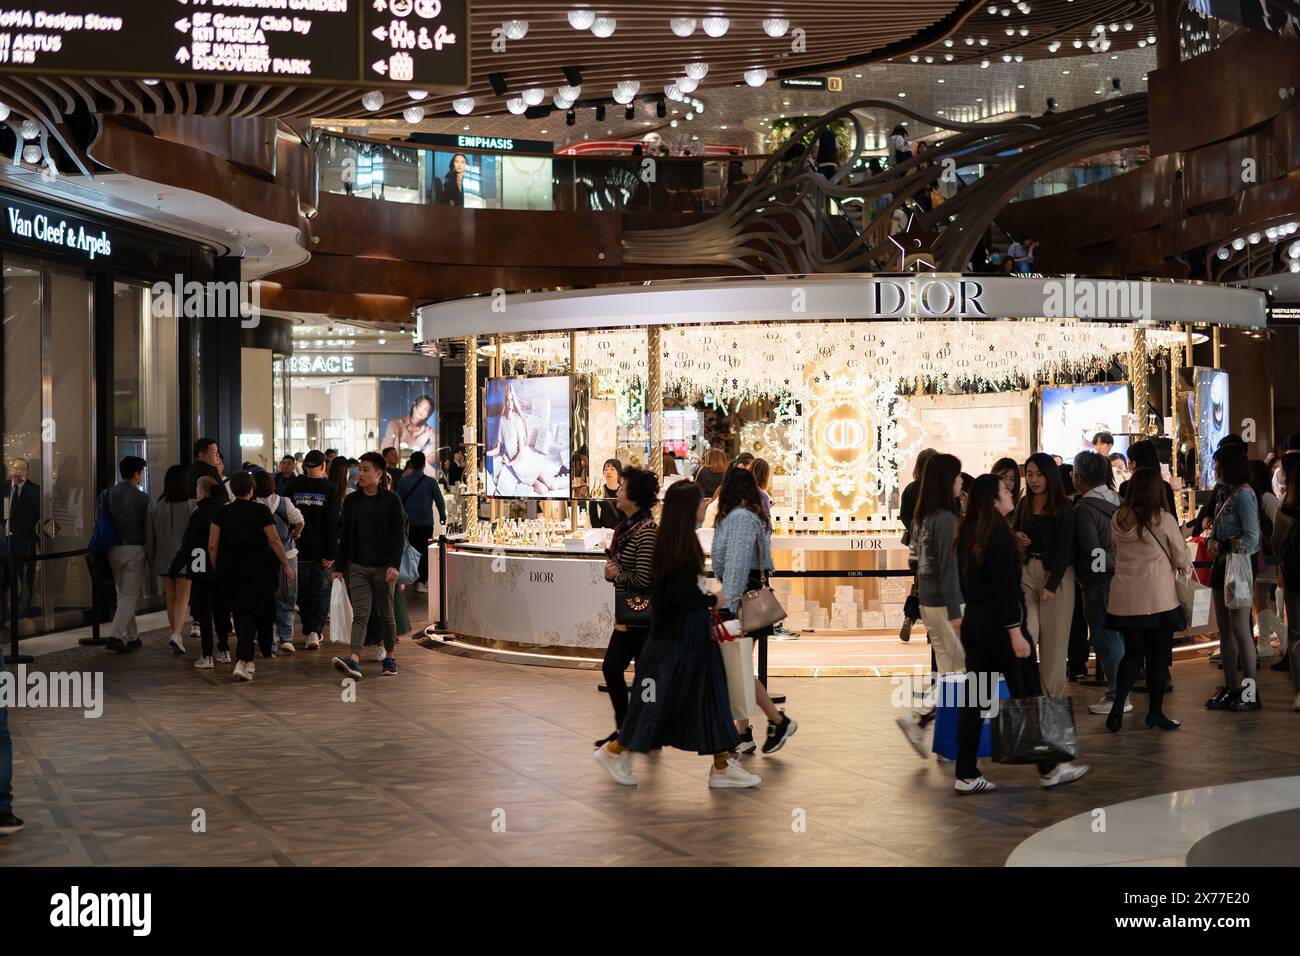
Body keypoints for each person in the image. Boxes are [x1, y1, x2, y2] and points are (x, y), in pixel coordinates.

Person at [593, 481, 756, 789]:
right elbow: (677, 595)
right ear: (688, 509)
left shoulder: (675, 542)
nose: (705, 507)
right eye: (700, 502)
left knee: (707, 695)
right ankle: (615, 751)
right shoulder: (675, 547)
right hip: (678, 637)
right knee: (657, 700)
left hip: (685, 635)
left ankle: (722, 765)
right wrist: (713, 600)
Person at [953, 474, 1090, 793]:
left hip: (976, 624)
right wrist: (1015, 632)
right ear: (992, 501)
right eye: (1003, 490)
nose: (1010, 492)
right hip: (1003, 629)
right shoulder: (998, 537)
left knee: (975, 698)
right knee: (1029, 694)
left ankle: (966, 772)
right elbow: (1004, 590)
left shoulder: (968, 534)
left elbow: (968, 585)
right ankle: (1050, 767)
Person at [712, 467, 798, 755]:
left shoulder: (737, 519)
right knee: (738, 669)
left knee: (736, 670)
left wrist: (726, 602)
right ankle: (745, 732)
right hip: (748, 600)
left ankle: (777, 720)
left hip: (740, 604)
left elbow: (735, 567)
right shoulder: (752, 517)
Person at [1105, 467, 1190, 731]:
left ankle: (1118, 706)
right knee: (1158, 657)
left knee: (1132, 654)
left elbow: (1114, 549)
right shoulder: (1162, 519)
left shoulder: (1117, 518)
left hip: (1125, 598)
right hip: (1157, 599)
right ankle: (1154, 713)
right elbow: (1180, 557)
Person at [897, 453, 965, 758]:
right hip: (945, 606)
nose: (961, 482)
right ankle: (922, 721)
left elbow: (914, 561)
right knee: (962, 672)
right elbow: (950, 571)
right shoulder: (947, 520)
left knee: (953, 673)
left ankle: (938, 733)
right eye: (957, 476)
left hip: (928, 602)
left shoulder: (921, 518)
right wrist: (956, 613)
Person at [595, 467, 659, 747]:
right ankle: (627, 727)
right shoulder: (626, 528)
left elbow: (643, 579)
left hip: (641, 617)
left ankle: (645, 730)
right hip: (627, 615)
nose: (618, 491)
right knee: (613, 669)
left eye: (622, 487)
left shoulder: (645, 532)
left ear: (634, 496)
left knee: (645, 677)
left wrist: (615, 574)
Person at [210, 471, 292, 682]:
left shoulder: (222, 512)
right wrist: (286, 565)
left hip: (230, 569)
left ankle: (247, 660)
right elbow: (274, 540)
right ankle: (243, 659)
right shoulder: (261, 510)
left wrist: (217, 567)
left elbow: (212, 545)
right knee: (252, 613)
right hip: (258, 568)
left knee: (239, 612)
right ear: (251, 489)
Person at [331, 452, 406, 680]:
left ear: (378, 473)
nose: (359, 474)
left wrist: (394, 565)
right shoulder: (352, 501)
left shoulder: (391, 500)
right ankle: (354, 659)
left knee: (386, 613)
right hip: (358, 567)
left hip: (384, 568)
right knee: (360, 614)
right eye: (359, 469)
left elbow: (398, 536)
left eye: (365, 470)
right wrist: (339, 567)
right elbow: (345, 536)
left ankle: (390, 657)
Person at [1011, 453, 1076, 697]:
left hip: (1057, 577)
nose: (1034, 479)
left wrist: (1052, 584)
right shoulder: (1025, 503)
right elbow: (1013, 529)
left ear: (1050, 475)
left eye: (1039, 474)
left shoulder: (1064, 507)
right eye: (1029, 474)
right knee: (1027, 635)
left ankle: (1050, 703)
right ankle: (1027, 696)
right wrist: (1016, 536)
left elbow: (1065, 548)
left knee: (1054, 648)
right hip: (1027, 572)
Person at [1204, 443, 1262, 712]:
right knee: (1224, 630)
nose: (1214, 468)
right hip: (1220, 566)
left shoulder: (1244, 495)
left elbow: (1252, 538)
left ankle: (1250, 691)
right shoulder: (1223, 493)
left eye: (1217, 464)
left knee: (1240, 629)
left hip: (1237, 565)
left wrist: (1223, 544)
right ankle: (1230, 686)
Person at [1071, 451, 1128, 716]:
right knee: (1118, 637)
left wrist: (1107, 565)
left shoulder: (1084, 508)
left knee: (1106, 638)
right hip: (1124, 579)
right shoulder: (1119, 500)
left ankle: (1117, 695)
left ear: (1079, 478)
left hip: (1099, 582)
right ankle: (1120, 693)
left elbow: (1094, 554)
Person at [284, 450, 338, 650]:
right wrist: (332, 552)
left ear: (305, 466)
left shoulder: (292, 485)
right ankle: (314, 631)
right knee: (321, 593)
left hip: (296, 549)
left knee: (303, 594)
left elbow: (285, 516)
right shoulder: (329, 488)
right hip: (321, 551)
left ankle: (308, 630)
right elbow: (332, 522)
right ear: (323, 466)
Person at [176, 477, 231, 669]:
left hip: (200, 569)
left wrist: (175, 567)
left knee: (204, 613)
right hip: (223, 568)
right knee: (222, 610)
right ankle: (224, 650)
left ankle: (207, 654)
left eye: (197, 489)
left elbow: (188, 544)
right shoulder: (226, 510)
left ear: (203, 492)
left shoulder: (199, 514)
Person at [146, 464, 196, 656]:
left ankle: (174, 633)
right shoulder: (192, 505)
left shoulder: (155, 504)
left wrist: (151, 559)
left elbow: (149, 536)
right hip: (186, 557)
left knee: (171, 597)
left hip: (163, 557)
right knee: (184, 597)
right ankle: (176, 633)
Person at [102, 456, 150, 654]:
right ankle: (115, 635)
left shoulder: (107, 494)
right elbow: (148, 527)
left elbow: (100, 520)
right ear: (136, 474)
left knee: (123, 594)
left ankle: (132, 637)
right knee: (129, 595)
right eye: (141, 473)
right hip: (135, 549)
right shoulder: (142, 498)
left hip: (112, 548)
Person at [253, 471, 305, 654]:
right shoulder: (284, 502)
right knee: (287, 597)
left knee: (264, 597)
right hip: (288, 554)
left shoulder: (252, 505)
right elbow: (299, 521)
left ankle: (268, 636)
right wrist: (296, 533)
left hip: (262, 557)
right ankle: (286, 638)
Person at [1268, 454, 1300, 711]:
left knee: (1297, 635)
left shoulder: (1284, 508)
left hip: (1294, 576)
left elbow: (1277, 544)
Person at [898, 448, 940, 643]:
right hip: (938, 544)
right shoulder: (940, 488)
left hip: (918, 545)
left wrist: (916, 531)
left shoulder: (911, 488)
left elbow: (904, 515)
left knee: (919, 584)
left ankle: (909, 617)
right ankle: (932, 629)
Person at [488, 382, 559, 496]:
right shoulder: (502, 421)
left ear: (514, 400)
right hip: (519, 468)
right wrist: (484, 453)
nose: (509, 403)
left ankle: (572, 484)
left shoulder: (518, 420)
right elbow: (497, 449)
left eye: (511, 400)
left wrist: (509, 463)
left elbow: (521, 452)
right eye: (507, 400)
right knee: (542, 490)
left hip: (526, 459)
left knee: (553, 486)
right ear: (504, 402)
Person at [395, 451, 445, 592]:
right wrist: (442, 517)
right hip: (425, 523)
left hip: (408, 523)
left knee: (409, 550)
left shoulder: (403, 481)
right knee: (423, 551)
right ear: (424, 464)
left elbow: (397, 502)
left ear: (411, 463)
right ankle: (421, 581)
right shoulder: (430, 482)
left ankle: (409, 576)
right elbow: (439, 501)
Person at [1249, 458, 1282, 659]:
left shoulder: (1266, 498)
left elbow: (1279, 525)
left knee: (1259, 598)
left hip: (1267, 556)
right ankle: (1273, 637)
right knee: (1257, 599)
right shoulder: (1259, 497)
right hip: (1261, 555)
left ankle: (1266, 642)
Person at [3, 458, 40, 619]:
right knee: (5, 576)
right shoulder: (4, 487)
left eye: (22, 469)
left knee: (25, 577)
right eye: (16, 468)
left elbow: (38, 516)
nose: (18, 472)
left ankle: (22, 611)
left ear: (27, 472)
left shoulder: (34, 490)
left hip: (25, 541)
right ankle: (4, 611)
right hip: (4, 541)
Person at [1121, 440, 1177, 514]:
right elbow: (1173, 518)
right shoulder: (1165, 487)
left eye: (1129, 461)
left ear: (1134, 463)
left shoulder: (1126, 487)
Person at [382, 395, 436, 460]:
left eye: (426, 409)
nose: (422, 410)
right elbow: (385, 451)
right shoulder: (395, 424)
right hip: (394, 466)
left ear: (428, 415)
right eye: (420, 406)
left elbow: (435, 452)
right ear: (414, 406)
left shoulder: (428, 431)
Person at [587, 458, 623, 530]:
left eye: (612, 469)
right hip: (604, 531)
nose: (608, 472)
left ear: (619, 472)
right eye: (606, 469)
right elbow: (593, 514)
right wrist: (600, 529)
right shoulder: (598, 490)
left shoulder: (624, 490)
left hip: (622, 532)